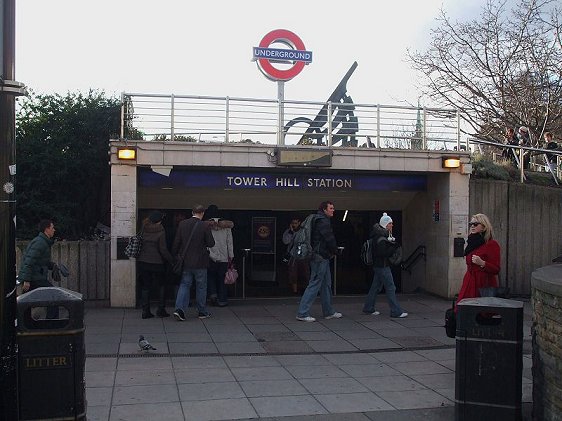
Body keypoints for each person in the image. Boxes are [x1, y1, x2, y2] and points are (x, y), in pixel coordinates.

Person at [296, 201, 342, 322]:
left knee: (326, 284)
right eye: (331, 208)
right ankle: (302, 312)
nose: (333, 210)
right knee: (315, 283)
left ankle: (328, 311)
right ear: (324, 209)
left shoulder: (318, 219)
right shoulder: (323, 221)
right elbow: (329, 238)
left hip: (320, 257)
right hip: (320, 257)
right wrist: (336, 250)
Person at [172, 204, 215, 321]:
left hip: (186, 261)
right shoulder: (204, 226)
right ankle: (202, 311)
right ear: (202, 213)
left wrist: (175, 256)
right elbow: (211, 243)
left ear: (192, 212)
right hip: (200, 262)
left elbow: (176, 243)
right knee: (201, 287)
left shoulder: (182, 224)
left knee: (184, 285)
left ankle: (179, 309)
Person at [362, 213, 408, 318]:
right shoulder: (381, 238)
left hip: (378, 266)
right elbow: (383, 253)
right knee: (391, 287)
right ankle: (395, 311)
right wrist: (393, 246)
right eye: (390, 223)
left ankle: (368, 307)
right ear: (386, 225)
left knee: (375, 287)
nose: (392, 225)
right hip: (383, 266)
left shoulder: (377, 236)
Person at [455, 213, 500, 309]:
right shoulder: (471, 242)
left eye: (475, 224)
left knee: (481, 313)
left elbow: (496, 269)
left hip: (483, 283)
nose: (472, 226)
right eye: (471, 224)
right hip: (469, 281)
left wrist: (483, 263)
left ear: (484, 227)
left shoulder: (492, 244)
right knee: (462, 310)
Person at [136, 211, 174, 319]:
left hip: (143, 261)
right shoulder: (161, 231)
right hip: (157, 263)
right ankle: (161, 309)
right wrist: (171, 259)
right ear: (160, 221)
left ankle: (145, 311)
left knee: (145, 287)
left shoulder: (143, 229)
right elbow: (163, 249)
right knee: (161, 285)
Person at [19, 219, 59, 318]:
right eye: (52, 228)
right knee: (54, 296)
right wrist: (27, 280)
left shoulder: (42, 242)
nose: (54, 230)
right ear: (46, 229)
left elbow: (40, 261)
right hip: (35, 278)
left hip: (34, 277)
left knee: (26, 303)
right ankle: (51, 324)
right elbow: (29, 261)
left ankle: (26, 324)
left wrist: (52, 265)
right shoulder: (40, 243)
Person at [205, 206, 234, 307]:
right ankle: (222, 300)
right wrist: (231, 255)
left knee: (210, 276)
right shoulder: (226, 226)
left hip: (210, 256)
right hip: (224, 256)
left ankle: (213, 294)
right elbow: (229, 242)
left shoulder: (206, 225)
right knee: (222, 278)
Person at [282, 218, 310, 294]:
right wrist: (291, 232)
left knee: (305, 273)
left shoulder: (304, 231)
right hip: (293, 255)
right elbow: (285, 241)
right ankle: (295, 291)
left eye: (296, 223)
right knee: (293, 273)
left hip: (304, 255)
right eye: (293, 223)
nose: (294, 225)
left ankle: (305, 290)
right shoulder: (289, 232)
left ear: (299, 223)